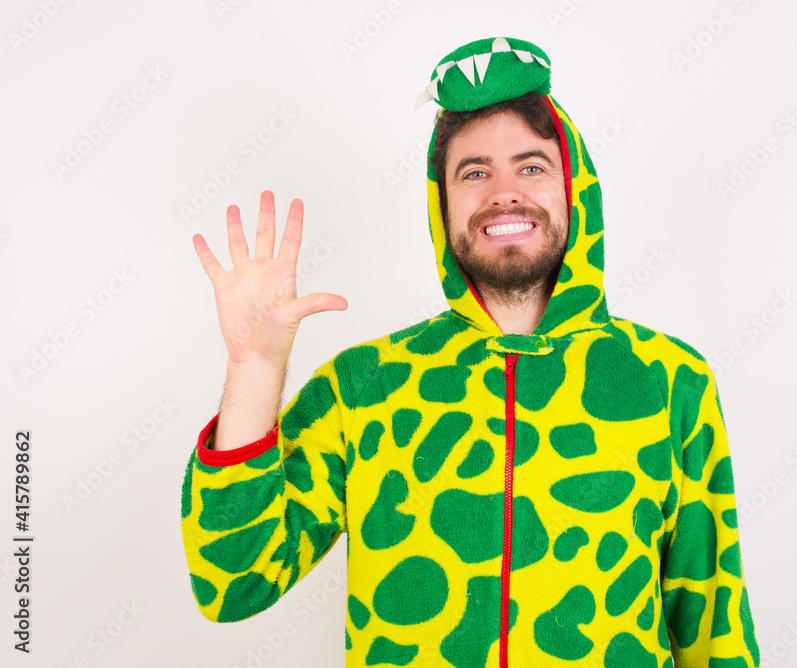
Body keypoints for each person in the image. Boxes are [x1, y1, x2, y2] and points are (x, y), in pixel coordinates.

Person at [180, 35, 761, 668]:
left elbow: (712, 625)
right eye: (475, 172)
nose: (503, 192)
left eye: (531, 166)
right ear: (444, 203)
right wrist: (254, 370)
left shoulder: (671, 381)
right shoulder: (362, 386)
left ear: (575, 190)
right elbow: (232, 584)